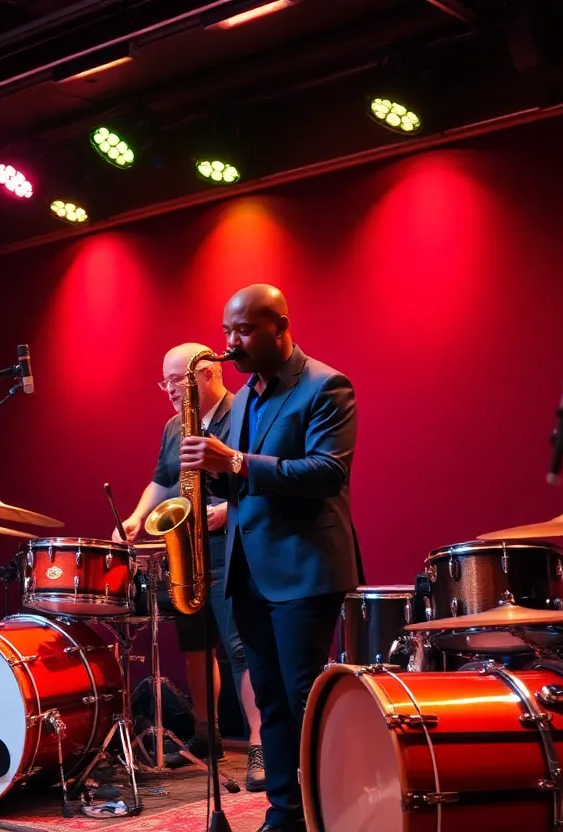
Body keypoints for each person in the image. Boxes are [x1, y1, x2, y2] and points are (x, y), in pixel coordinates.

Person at [180, 284, 359, 832]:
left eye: (244, 330)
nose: (231, 344)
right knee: (272, 701)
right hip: (247, 570)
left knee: (303, 699)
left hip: (304, 569)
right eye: (227, 331)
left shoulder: (327, 386)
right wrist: (211, 471)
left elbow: (327, 472)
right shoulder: (247, 396)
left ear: (280, 326)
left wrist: (232, 462)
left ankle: (328, 810)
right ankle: (285, 813)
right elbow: (246, 484)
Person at [116, 342, 265, 792]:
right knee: (195, 647)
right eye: (164, 381)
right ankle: (207, 735)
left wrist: (228, 511)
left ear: (206, 375)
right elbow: (163, 481)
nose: (168, 390)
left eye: (176, 380)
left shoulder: (244, 412)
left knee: (240, 650)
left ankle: (260, 745)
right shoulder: (173, 426)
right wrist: (139, 516)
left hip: (231, 548)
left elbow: (260, 476)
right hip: (190, 549)